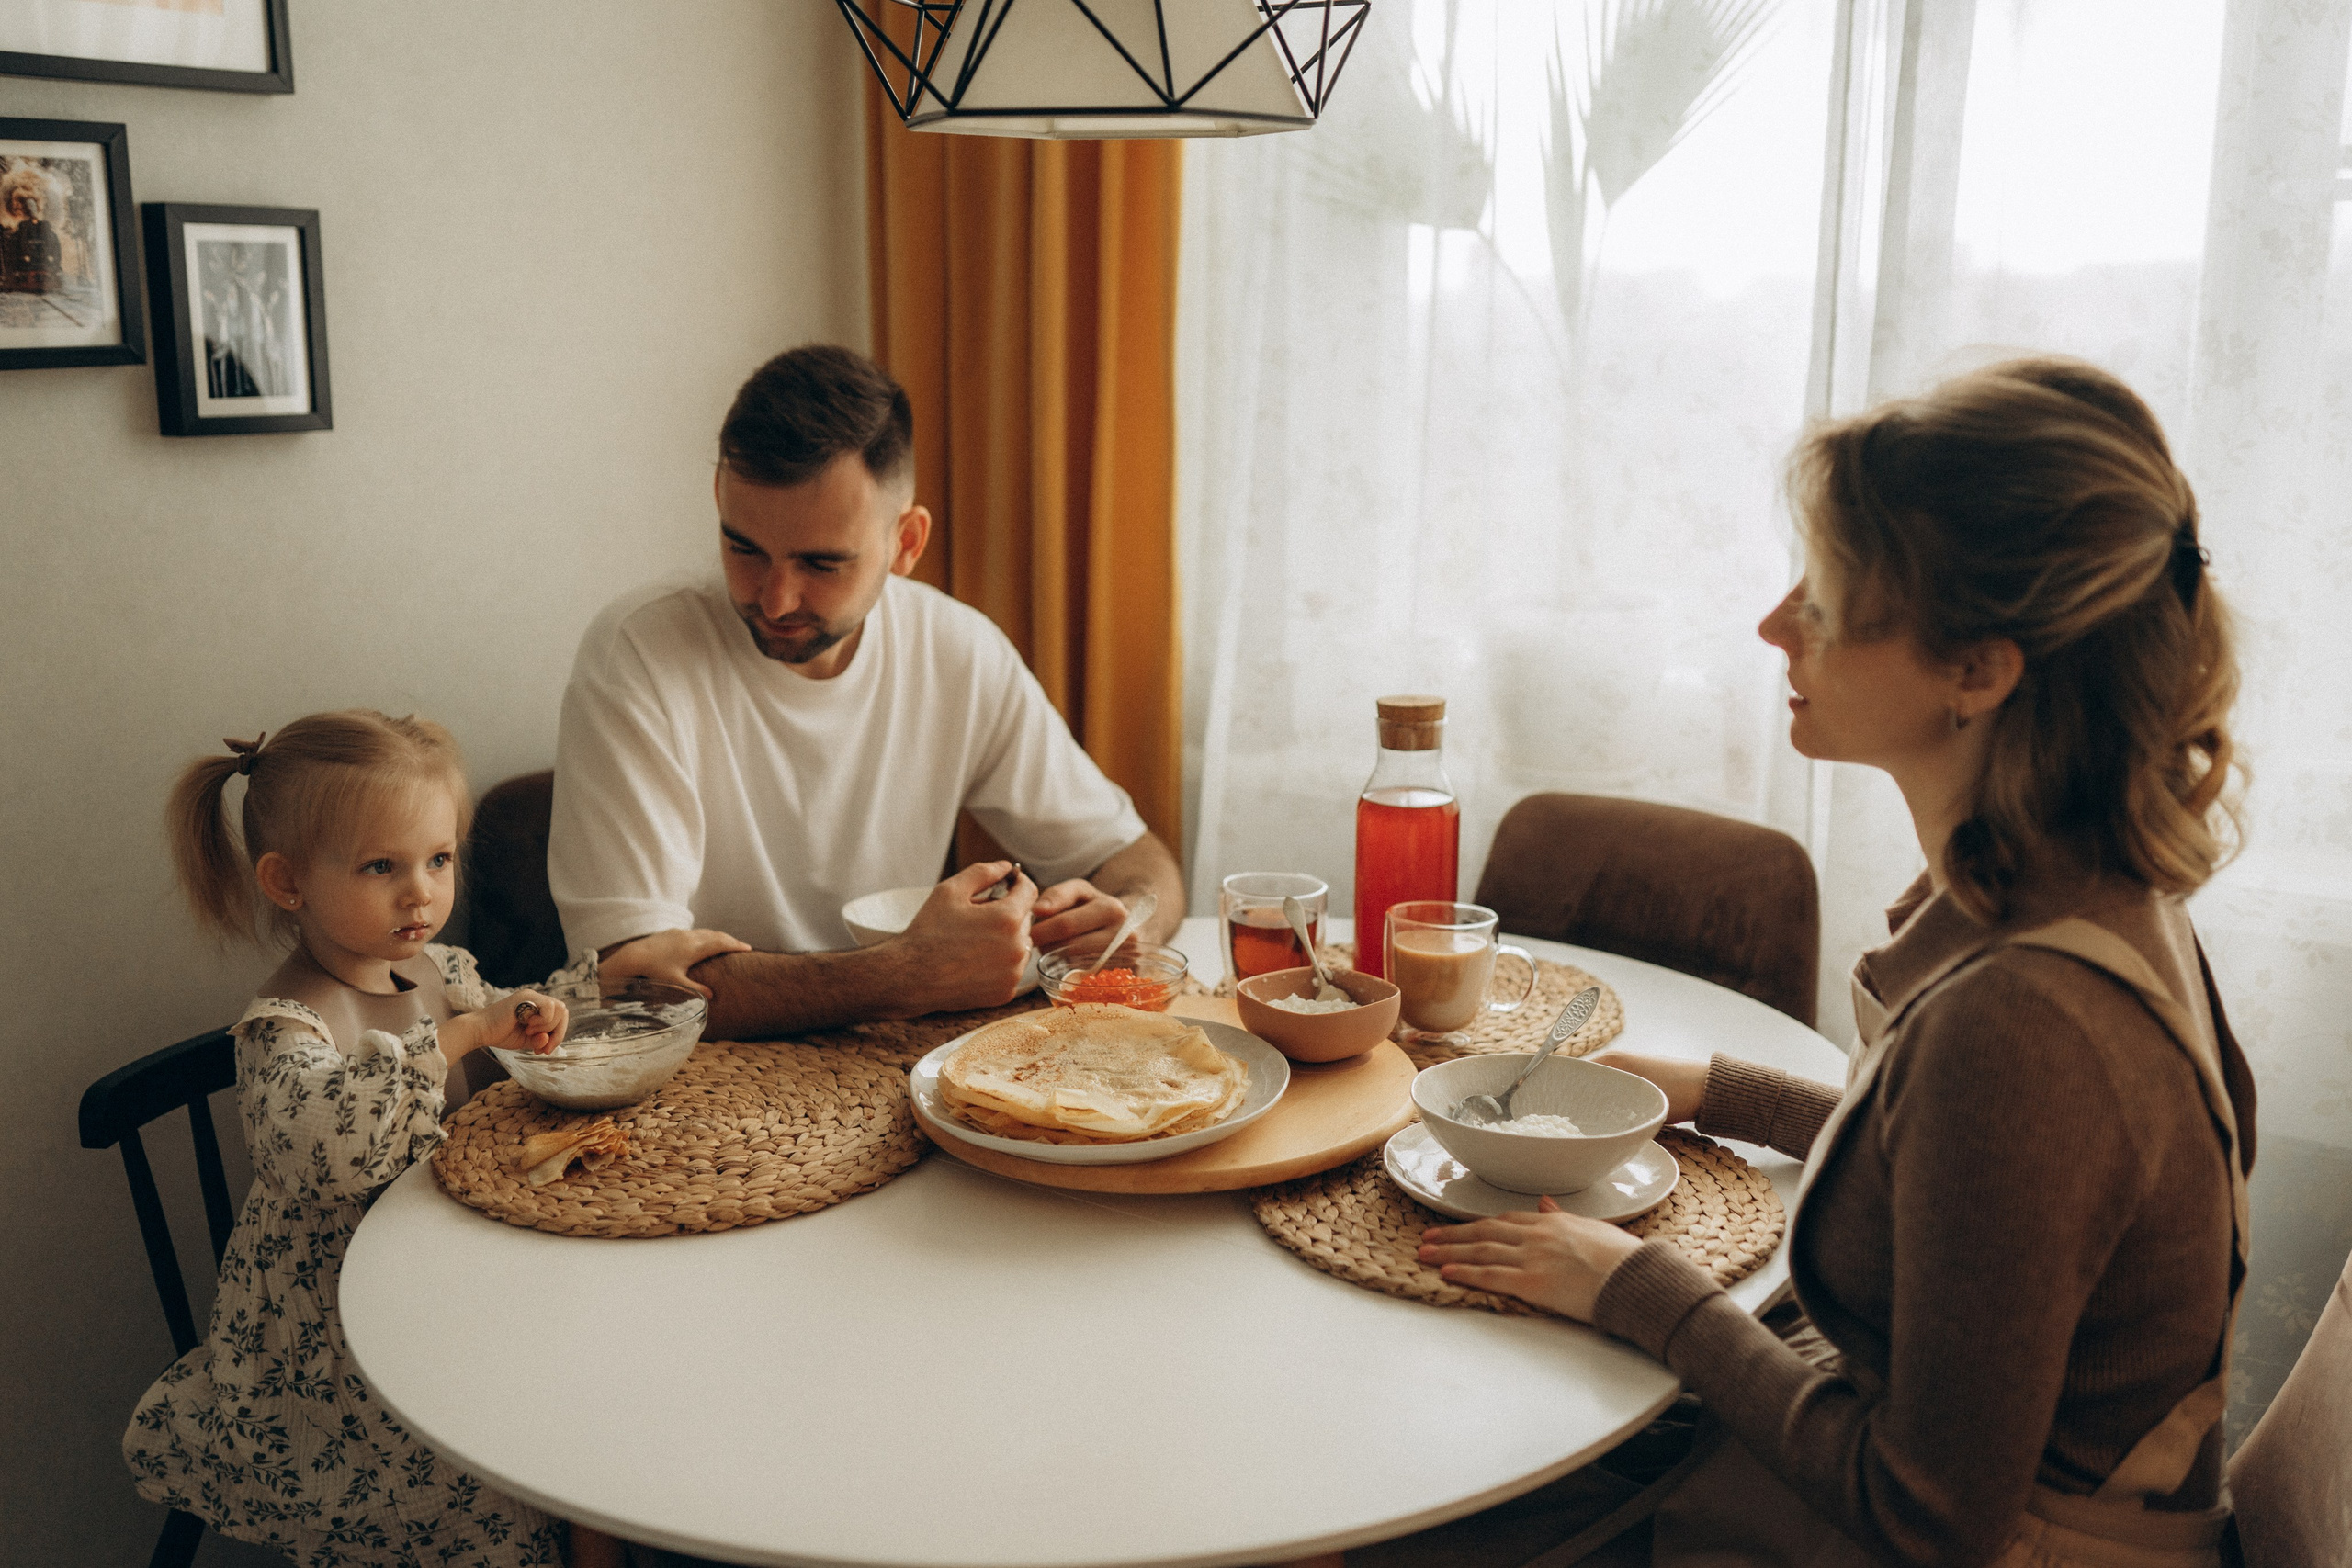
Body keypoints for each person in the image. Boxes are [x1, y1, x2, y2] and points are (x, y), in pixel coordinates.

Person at [1415, 359, 2253, 1565]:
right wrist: (1717, 1088)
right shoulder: (2089, 888)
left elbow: (1929, 1511)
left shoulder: (2021, 1025)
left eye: (1831, 591)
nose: (1773, 622)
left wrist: (1635, 1286)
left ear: (1979, 670)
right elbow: (1968, 1185)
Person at [125, 710, 743, 1568]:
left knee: (621, 1357)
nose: (421, 891)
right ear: (288, 881)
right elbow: (319, 1144)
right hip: (348, 1339)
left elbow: (516, 1014)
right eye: (382, 866)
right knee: (509, 1451)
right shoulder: (287, 1024)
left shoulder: (435, 969)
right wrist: (458, 1038)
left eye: (438, 858)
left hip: (451, 1267)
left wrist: (599, 980)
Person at [548, 345, 1186, 1039]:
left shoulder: (958, 650)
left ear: (906, 542)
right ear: (719, 500)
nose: (775, 596)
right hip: (709, 1088)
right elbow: (632, 981)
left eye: (821, 562)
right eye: (744, 547)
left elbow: (1143, 862)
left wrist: (1127, 919)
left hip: (899, 1070)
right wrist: (908, 972)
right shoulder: (637, 654)